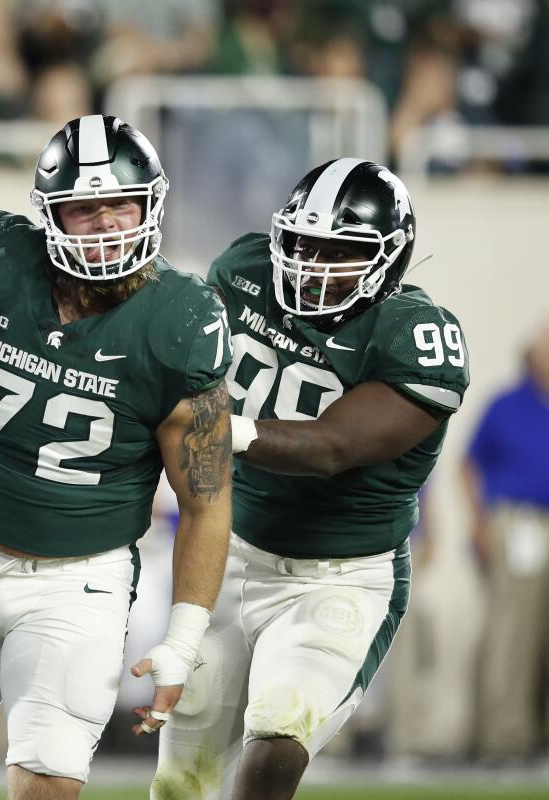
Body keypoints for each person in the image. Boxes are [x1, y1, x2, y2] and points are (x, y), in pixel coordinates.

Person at [0, 114, 234, 800]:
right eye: (85, 209)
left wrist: (186, 631)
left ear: (152, 204)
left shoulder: (180, 320)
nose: (109, 223)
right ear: (50, 215)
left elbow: (205, 498)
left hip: (78, 582)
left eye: (122, 203)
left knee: (47, 783)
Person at [153, 158, 470, 800]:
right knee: (183, 779)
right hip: (229, 552)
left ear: (391, 257)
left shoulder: (417, 335)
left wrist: (220, 427)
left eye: (339, 250)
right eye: (301, 244)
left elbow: (333, 446)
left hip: (340, 575)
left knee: (279, 730)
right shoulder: (243, 273)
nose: (312, 264)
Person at [464, 322, 549, 761]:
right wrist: (479, 525)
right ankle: (504, 735)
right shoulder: (507, 404)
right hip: (521, 523)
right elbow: (470, 465)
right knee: (513, 630)